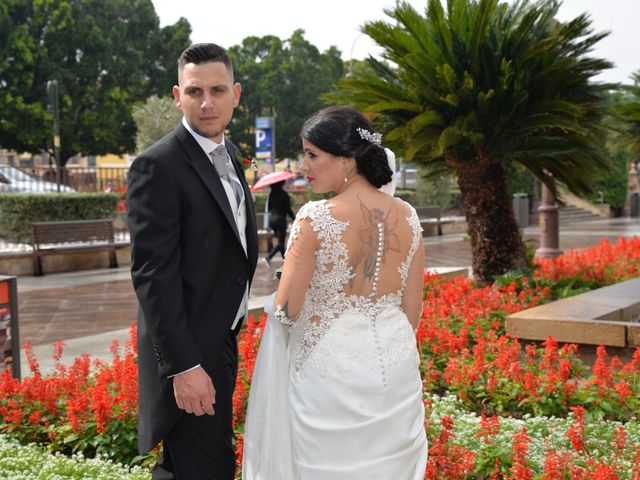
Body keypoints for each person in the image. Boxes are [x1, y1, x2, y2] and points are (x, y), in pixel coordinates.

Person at [243, 106, 428, 479]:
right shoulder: (407, 215)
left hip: (329, 368)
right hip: (394, 363)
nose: (304, 165)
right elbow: (412, 307)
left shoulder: (315, 217)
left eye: (312, 155)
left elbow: (288, 309)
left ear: (346, 159)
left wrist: (288, 286)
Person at [127, 43, 258, 479]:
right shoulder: (156, 165)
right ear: (176, 95)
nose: (207, 102)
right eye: (195, 90)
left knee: (194, 465)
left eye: (218, 90)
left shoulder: (233, 155)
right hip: (191, 352)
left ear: (235, 94)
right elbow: (152, 276)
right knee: (206, 467)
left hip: (220, 339)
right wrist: (183, 367)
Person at [263, 180, 295, 269]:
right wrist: (295, 219)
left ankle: (286, 262)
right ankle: (268, 258)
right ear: (281, 183)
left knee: (281, 243)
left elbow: (269, 208)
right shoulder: (284, 194)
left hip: (272, 220)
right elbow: (288, 209)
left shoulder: (271, 194)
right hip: (280, 220)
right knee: (281, 243)